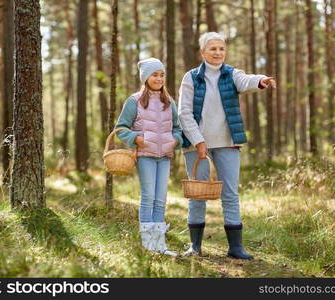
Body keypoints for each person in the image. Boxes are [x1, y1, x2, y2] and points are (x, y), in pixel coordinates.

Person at [178, 32, 276, 260]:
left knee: (230, 194)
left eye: (221, 49)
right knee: (198, 194)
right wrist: (198, 141)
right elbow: (184, 113)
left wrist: (261, 80)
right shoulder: (190, 78)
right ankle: (195, 246)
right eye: (212, 49)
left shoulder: (231, 74)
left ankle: (235, 247)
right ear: (203, 53)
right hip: (196, 144)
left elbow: (246, 81)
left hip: (227, 143)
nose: (218, 53)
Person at [115, 58, 183, 256]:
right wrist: (137, 138)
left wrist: (175, 141)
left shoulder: (169, 102)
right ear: (145, 78)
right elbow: (120, 129)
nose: (159, 78)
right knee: (148, 197)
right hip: (145, 155)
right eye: (155, 75)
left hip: (165, 156)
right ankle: (148, 246)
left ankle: (160, 245)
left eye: (161, 75)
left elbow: (178, 128)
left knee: (161, 199)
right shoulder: (134, 101)